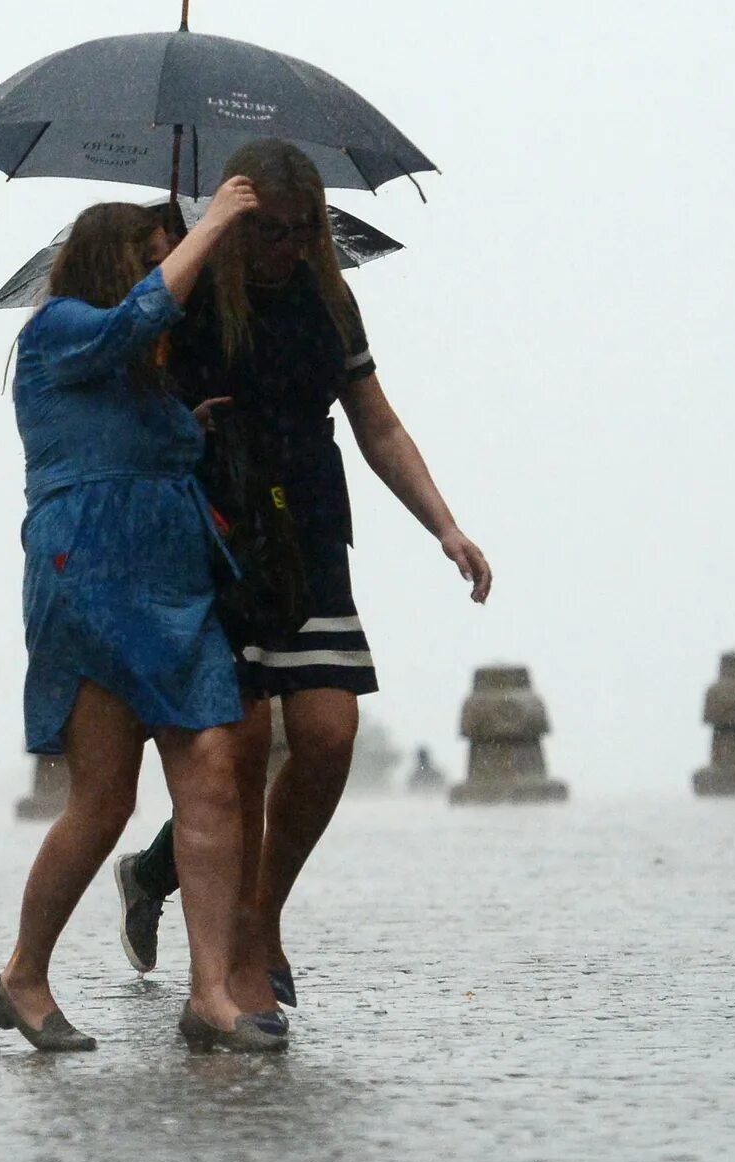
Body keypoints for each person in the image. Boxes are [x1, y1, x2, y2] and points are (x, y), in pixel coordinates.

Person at [113, 138, 493, 1012]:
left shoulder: (330, 298)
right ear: (235, 222)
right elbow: (131, 400)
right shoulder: (190, 286)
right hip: (215, 527)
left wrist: (446, 525)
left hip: (309, 529)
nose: (284, 247)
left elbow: (377, 422)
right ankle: (239, 951)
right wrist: (181, 412)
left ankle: (258, 911)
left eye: (300, 230)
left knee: (326, 734)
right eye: (267, 230)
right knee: (241, 745)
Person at [0, 180, 283, 1054]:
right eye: (150, 255)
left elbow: (145, 397)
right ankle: (24, 973)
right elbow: (135, 319)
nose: (166, 272)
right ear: (112, 261)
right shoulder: (57, 332)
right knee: (104, 800)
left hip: (173, 584)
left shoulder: (140, 374)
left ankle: (209, 991)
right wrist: (220, 217)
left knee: (211, 776)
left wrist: (179, 424)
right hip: (89, 579)